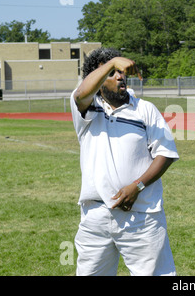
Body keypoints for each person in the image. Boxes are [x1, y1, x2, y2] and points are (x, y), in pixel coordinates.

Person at [70, 47, 179, 276]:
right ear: (98, 79)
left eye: (121, 71)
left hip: (141, 215)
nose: (120, 76)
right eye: (112, 73)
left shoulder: (144, 109)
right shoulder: (87, 109)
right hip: (96, 217)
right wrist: (111, 63)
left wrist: (136, 186)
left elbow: (166, 153)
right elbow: (81, 94)